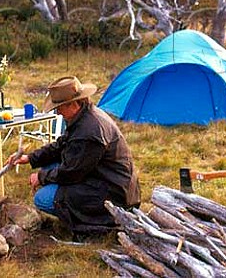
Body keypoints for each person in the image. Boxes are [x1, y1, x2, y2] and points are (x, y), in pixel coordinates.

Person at [8, 76, 140, 236]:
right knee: (49, 166)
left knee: (42, 198)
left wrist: (41, 177)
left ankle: (98, 224)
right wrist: (30, 158)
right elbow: (61, 145)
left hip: (114, 194)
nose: (57, 112)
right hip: (102, 178)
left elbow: (71, 172)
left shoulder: (89, 132)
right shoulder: (84, 116)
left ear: (72, 104)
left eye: (59, 107)